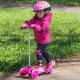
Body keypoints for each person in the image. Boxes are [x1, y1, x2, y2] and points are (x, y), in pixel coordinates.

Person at [21, 1, 55, 72]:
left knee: (38, 51)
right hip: (39, 39)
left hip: (44, 39)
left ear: (46, 11)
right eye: (37, 12)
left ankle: (40, 66)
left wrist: (36, 27)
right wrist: (26, 24)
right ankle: (50, 62)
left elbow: (44, 28)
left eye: (40, 12)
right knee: (43, 51)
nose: (38, 14)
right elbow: (31, 21)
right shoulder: (36, 18)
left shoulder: (45, 20)